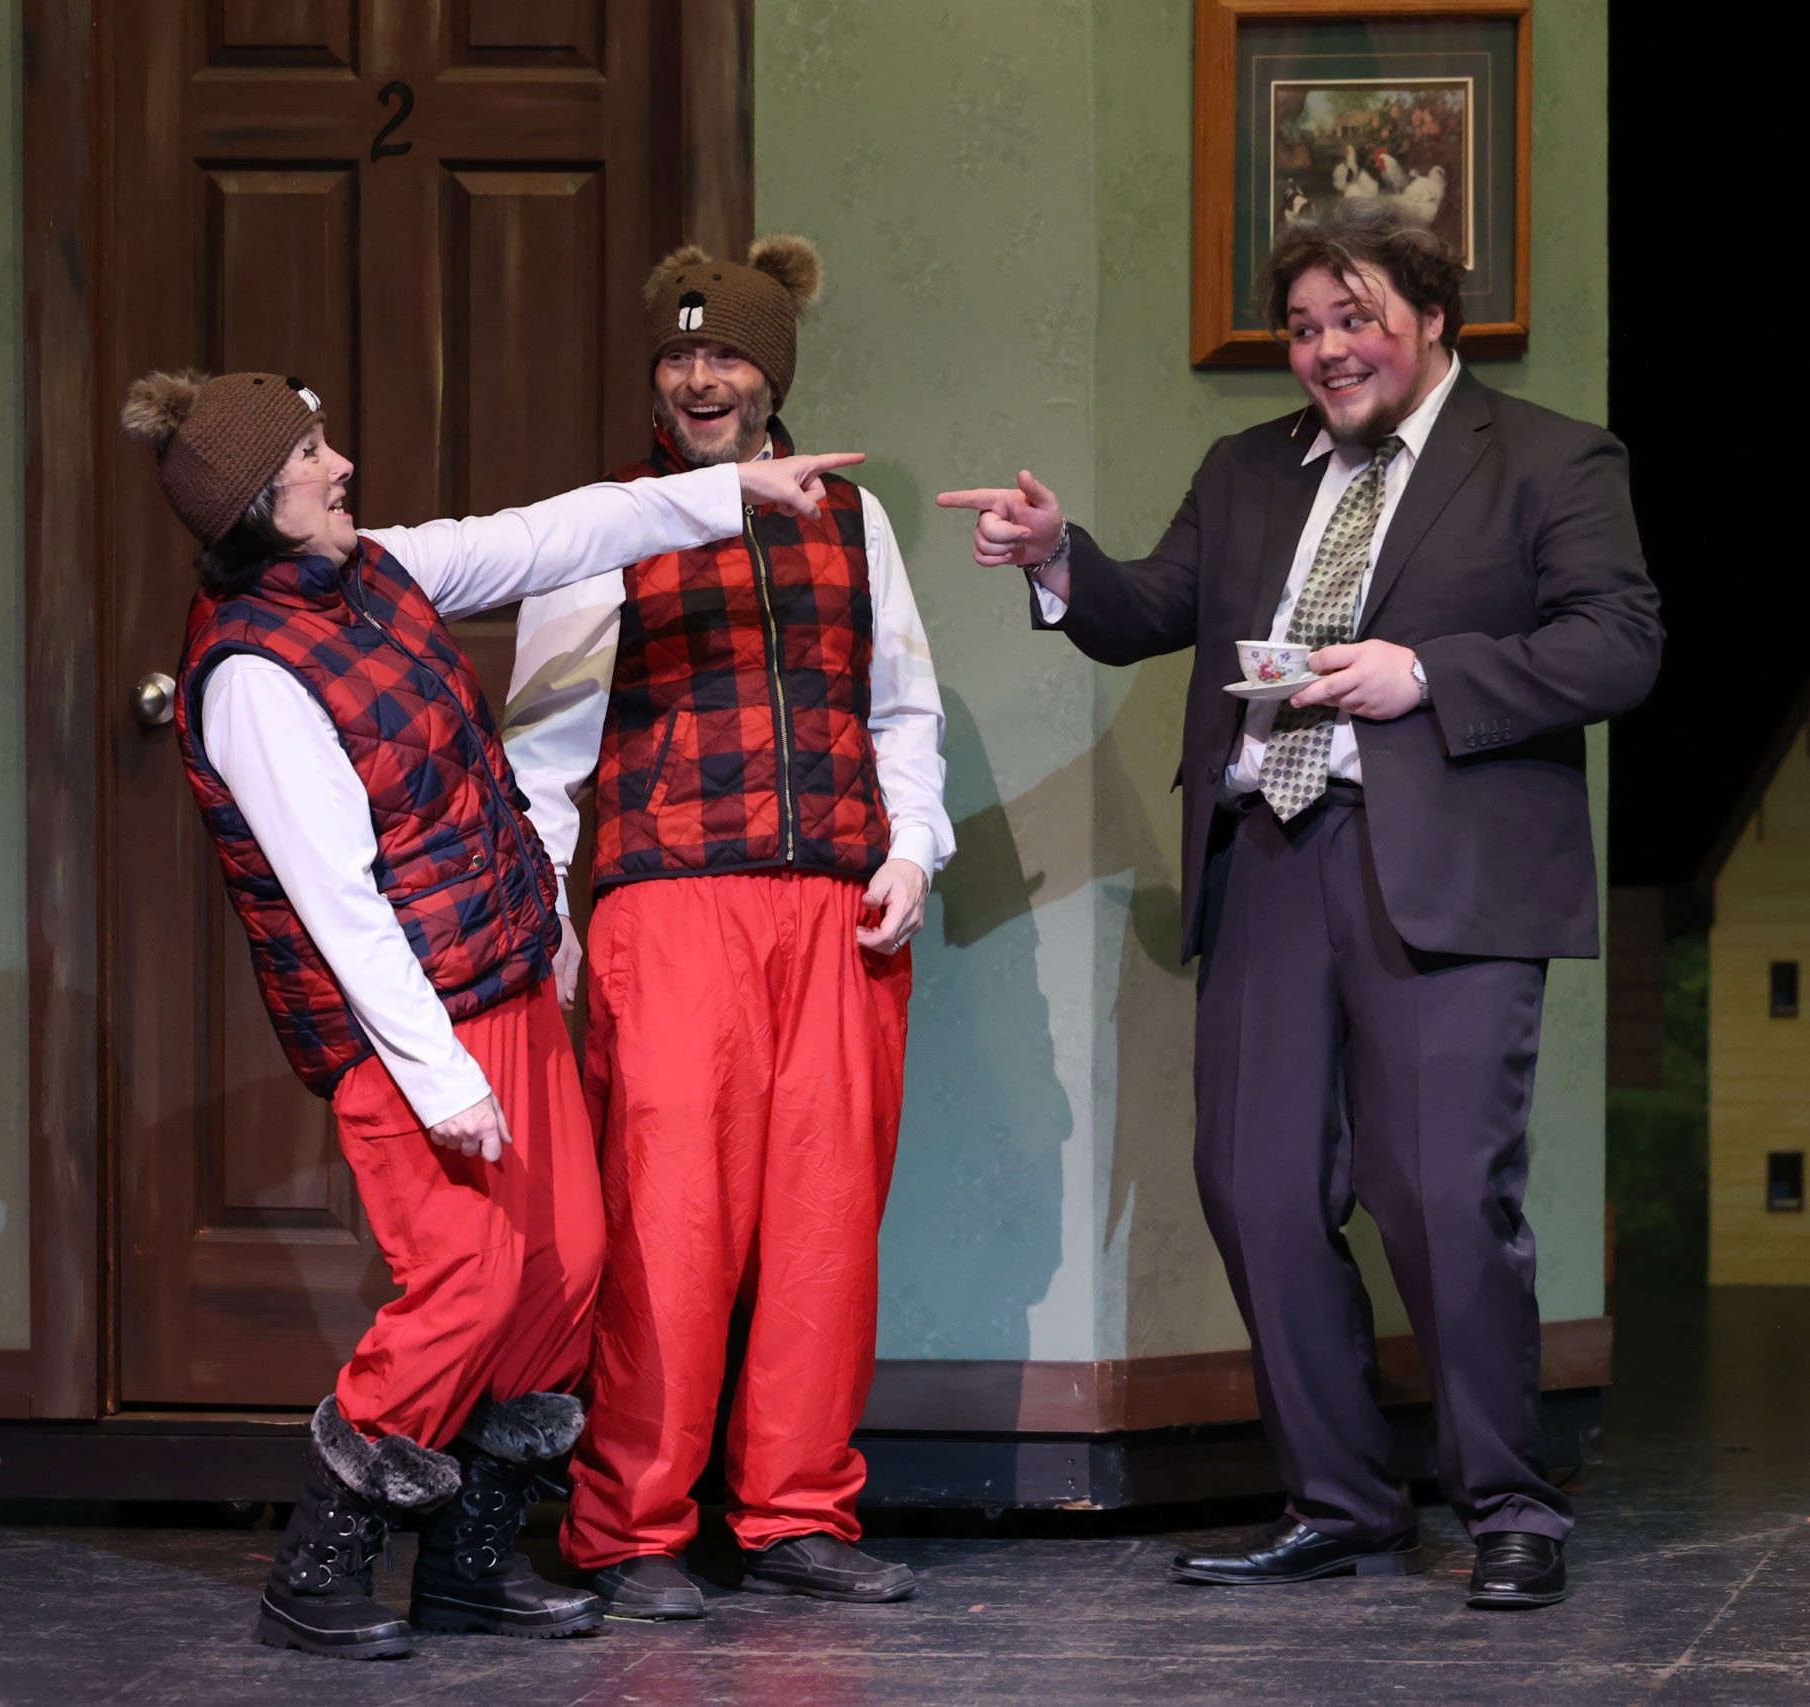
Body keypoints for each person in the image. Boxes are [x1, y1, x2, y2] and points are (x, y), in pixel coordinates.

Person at [936, 199, 1660, 1611]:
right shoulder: (1250, 469)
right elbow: (1152, 610)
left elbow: (1620, 646)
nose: (1328, 350)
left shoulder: (1550, 459)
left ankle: (1510, 1506)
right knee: (1256, 1187)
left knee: (1440, 1195)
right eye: (1307, 327)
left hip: (1441, 871)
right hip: (1268, 855)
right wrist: (1059, 559)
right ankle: (1340, 1502)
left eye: (1357, 319)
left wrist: (1426, 675)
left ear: (1432, 319)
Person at [121, 367, 858, 1656]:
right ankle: (320, 1564)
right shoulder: (250, 676)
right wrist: (440, 1073)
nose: (341, 467)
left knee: (563, 1266)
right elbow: (338, 908)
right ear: (253, 505)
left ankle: (470, 1563)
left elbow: (549, 534)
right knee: (466, 1277)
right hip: (404, 1029)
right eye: (309, 458)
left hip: (501, 980)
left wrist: (727, 492)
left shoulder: (380, 573)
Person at [502, 236, 951, 1619]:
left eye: (729, 354)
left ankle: (796, 1509)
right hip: (672, 905)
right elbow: (542, 754)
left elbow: (902, 710)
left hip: (837, 910)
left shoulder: (853, 522)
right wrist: (550, 923)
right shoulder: (607, 525)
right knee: (670, 1229)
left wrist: (912, 851)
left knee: (825, 1228)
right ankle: (628, 1525)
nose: (701, 379)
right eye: (681, 354)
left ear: (774, 375)